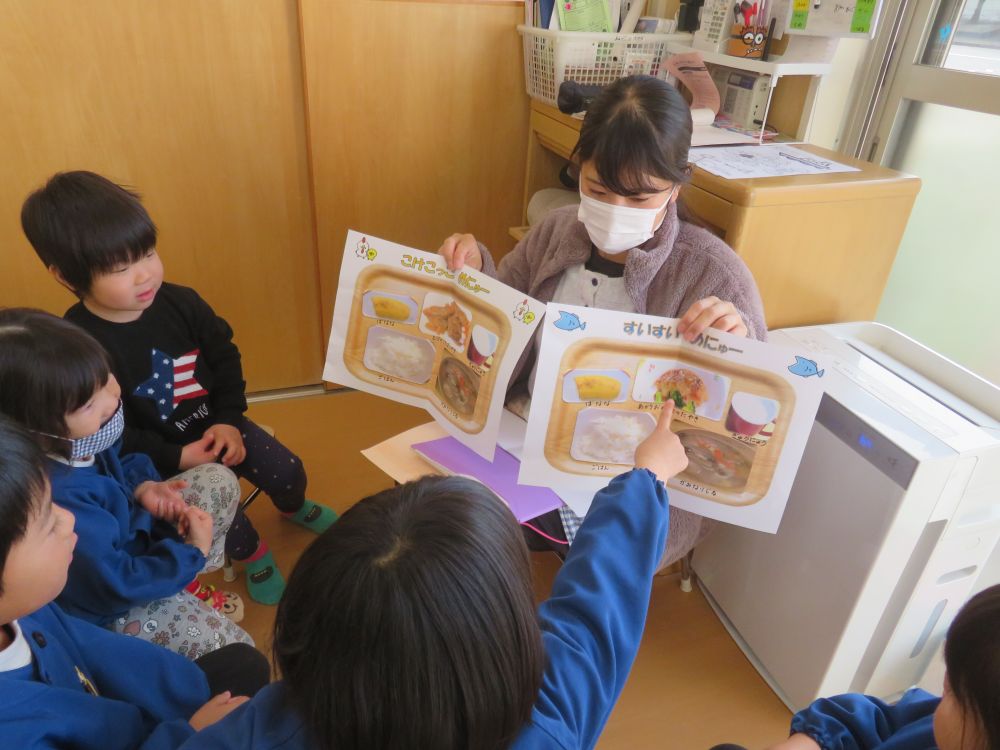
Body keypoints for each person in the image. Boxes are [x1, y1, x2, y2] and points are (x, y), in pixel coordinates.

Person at [178, 402, 688, 749]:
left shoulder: (277, 724)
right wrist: (646, 480)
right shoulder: (550, 716)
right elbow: (596, 607)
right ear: (508, 626)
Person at [437, 74, 766, 563]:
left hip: (632, 470)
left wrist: (737, 346)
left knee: (470, 533)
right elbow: (508, 316)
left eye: (639, 199)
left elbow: (751, 413)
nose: (615, 211)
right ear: (578, 169)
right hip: (527, 434)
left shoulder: (711, 272)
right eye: (599, 189)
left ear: (676, 188)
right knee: (440, 505)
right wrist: (476, 271)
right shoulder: (554, 232)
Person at [21, 170, 338, 605]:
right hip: (160, 456)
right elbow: (108, 431)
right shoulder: (79, 346)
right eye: (120, 268)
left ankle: (291, 506)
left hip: (220, 424)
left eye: (148, 253)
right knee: (217, 518)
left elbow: (225, 358)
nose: (144, 276)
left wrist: (228, 420)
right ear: (64, 276)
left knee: (285, 471)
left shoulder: (181, 301)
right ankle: (253, 554)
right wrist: (177, 456)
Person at [0, 415, 271, 749]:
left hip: (127, 713)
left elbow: (101, 652)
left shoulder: (27, 609)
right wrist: (188, 735)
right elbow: (116, 588)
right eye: (47, 523)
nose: (68, 518)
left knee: (245, 664)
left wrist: (191, 698)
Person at [0, 309, 252, 658]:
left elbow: (120, 458)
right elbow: (115, 585)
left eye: (106, 377)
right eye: (89, 403)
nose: (111, 400)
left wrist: (143, 486)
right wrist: (191, 552)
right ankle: (179, 576)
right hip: (115, 604)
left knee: (218, 481)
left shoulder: (78, 438)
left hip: (135, 543)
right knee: (237, 650)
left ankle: (181, 579)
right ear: (34, 429)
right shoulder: (62, 498)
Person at [711, 583, 1000, 750]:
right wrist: (812, 742)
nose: (942, 686)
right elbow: (873, 721)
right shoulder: (933, 723)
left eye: (953, 695)